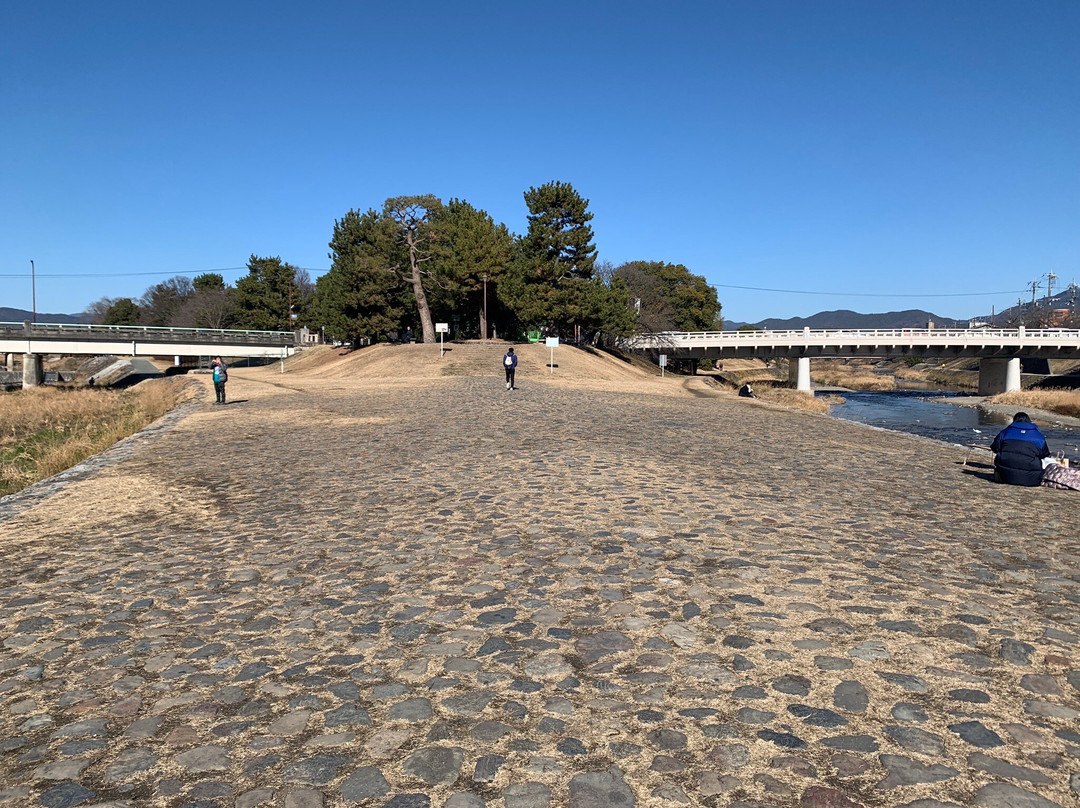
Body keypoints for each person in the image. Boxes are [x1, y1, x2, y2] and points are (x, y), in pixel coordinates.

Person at [990, 412, 1049, 486]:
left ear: (1014, 420)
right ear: (1029, 421)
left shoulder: (1005, 432)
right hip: (1032, 480)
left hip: (1004, 476)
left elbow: (995, 448)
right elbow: (1044, 454)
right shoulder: (1038, 436)